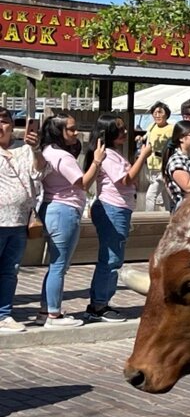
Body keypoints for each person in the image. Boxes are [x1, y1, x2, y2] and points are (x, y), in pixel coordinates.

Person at [36, 113, 95, 329]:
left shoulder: (48, 151)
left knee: (56, 265)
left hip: (52, 208)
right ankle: (53, 315)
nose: (76, 132)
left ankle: (46, 310)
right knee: (59, 265)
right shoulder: (62, 156)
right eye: (70, 129)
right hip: (64, 210)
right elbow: (83, 183)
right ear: (58, 132)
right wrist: (96, 162)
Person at [87, 120, 149, 321]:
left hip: (119, 208)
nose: (124, 132)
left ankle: (100, 302)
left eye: (124, 128)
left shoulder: (114, 153)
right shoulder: (108, 155)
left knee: (113, 257)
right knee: (111, 258)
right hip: (112, 208)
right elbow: (125, 180)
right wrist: (142, 157)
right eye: (119, 129)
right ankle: (99, 305)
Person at [0, 108, 45, 333]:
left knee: (10, 270)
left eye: (4, 121)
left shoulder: (24, 149)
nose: (1, 126)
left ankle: (4, 314)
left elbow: (39, 173)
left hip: (19, 221)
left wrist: (36, 149)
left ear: (12, 125)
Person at [142, 102, 174, 210]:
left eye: (160, 112)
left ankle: (148, 220)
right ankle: (168, 216)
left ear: (166, 114)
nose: (157, 115)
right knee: (164, 195)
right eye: (154, 113)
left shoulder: (171, 129)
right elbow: (147, 139)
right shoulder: (151, 126)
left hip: (163, 167)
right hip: (151, 167)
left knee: (150, 195)